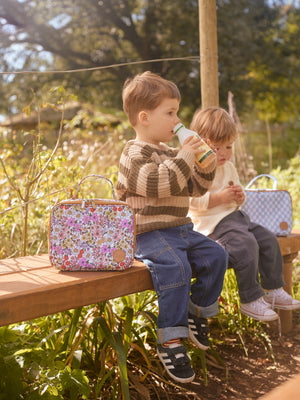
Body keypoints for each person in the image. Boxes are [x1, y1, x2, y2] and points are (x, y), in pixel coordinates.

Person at [116, 72, 228, 383]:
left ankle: (197, 312)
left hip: (180, 230)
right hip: (148, 234)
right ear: (144, 117)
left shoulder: (171, 153)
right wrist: (187, 155)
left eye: (177, 112)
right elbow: (157, 183)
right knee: (176, 267)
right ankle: (170, 339)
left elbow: (194, 189)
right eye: (170, 113)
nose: (176, 120)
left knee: (217, 254)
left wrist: (206, 164)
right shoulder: (133, 153)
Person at [188, 106, 300, 323]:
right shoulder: (194, 167)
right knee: (246, 244)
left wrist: (239, 196)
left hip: (234, 219)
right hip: (210, 225)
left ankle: (273, 289)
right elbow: (190, 202)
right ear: (200, 144)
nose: (223, 154)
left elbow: (239, 196)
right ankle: (250, 298)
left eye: (228, 147)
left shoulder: (228, 166)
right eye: (216, 148)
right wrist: (219, 198)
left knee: (267, 239)